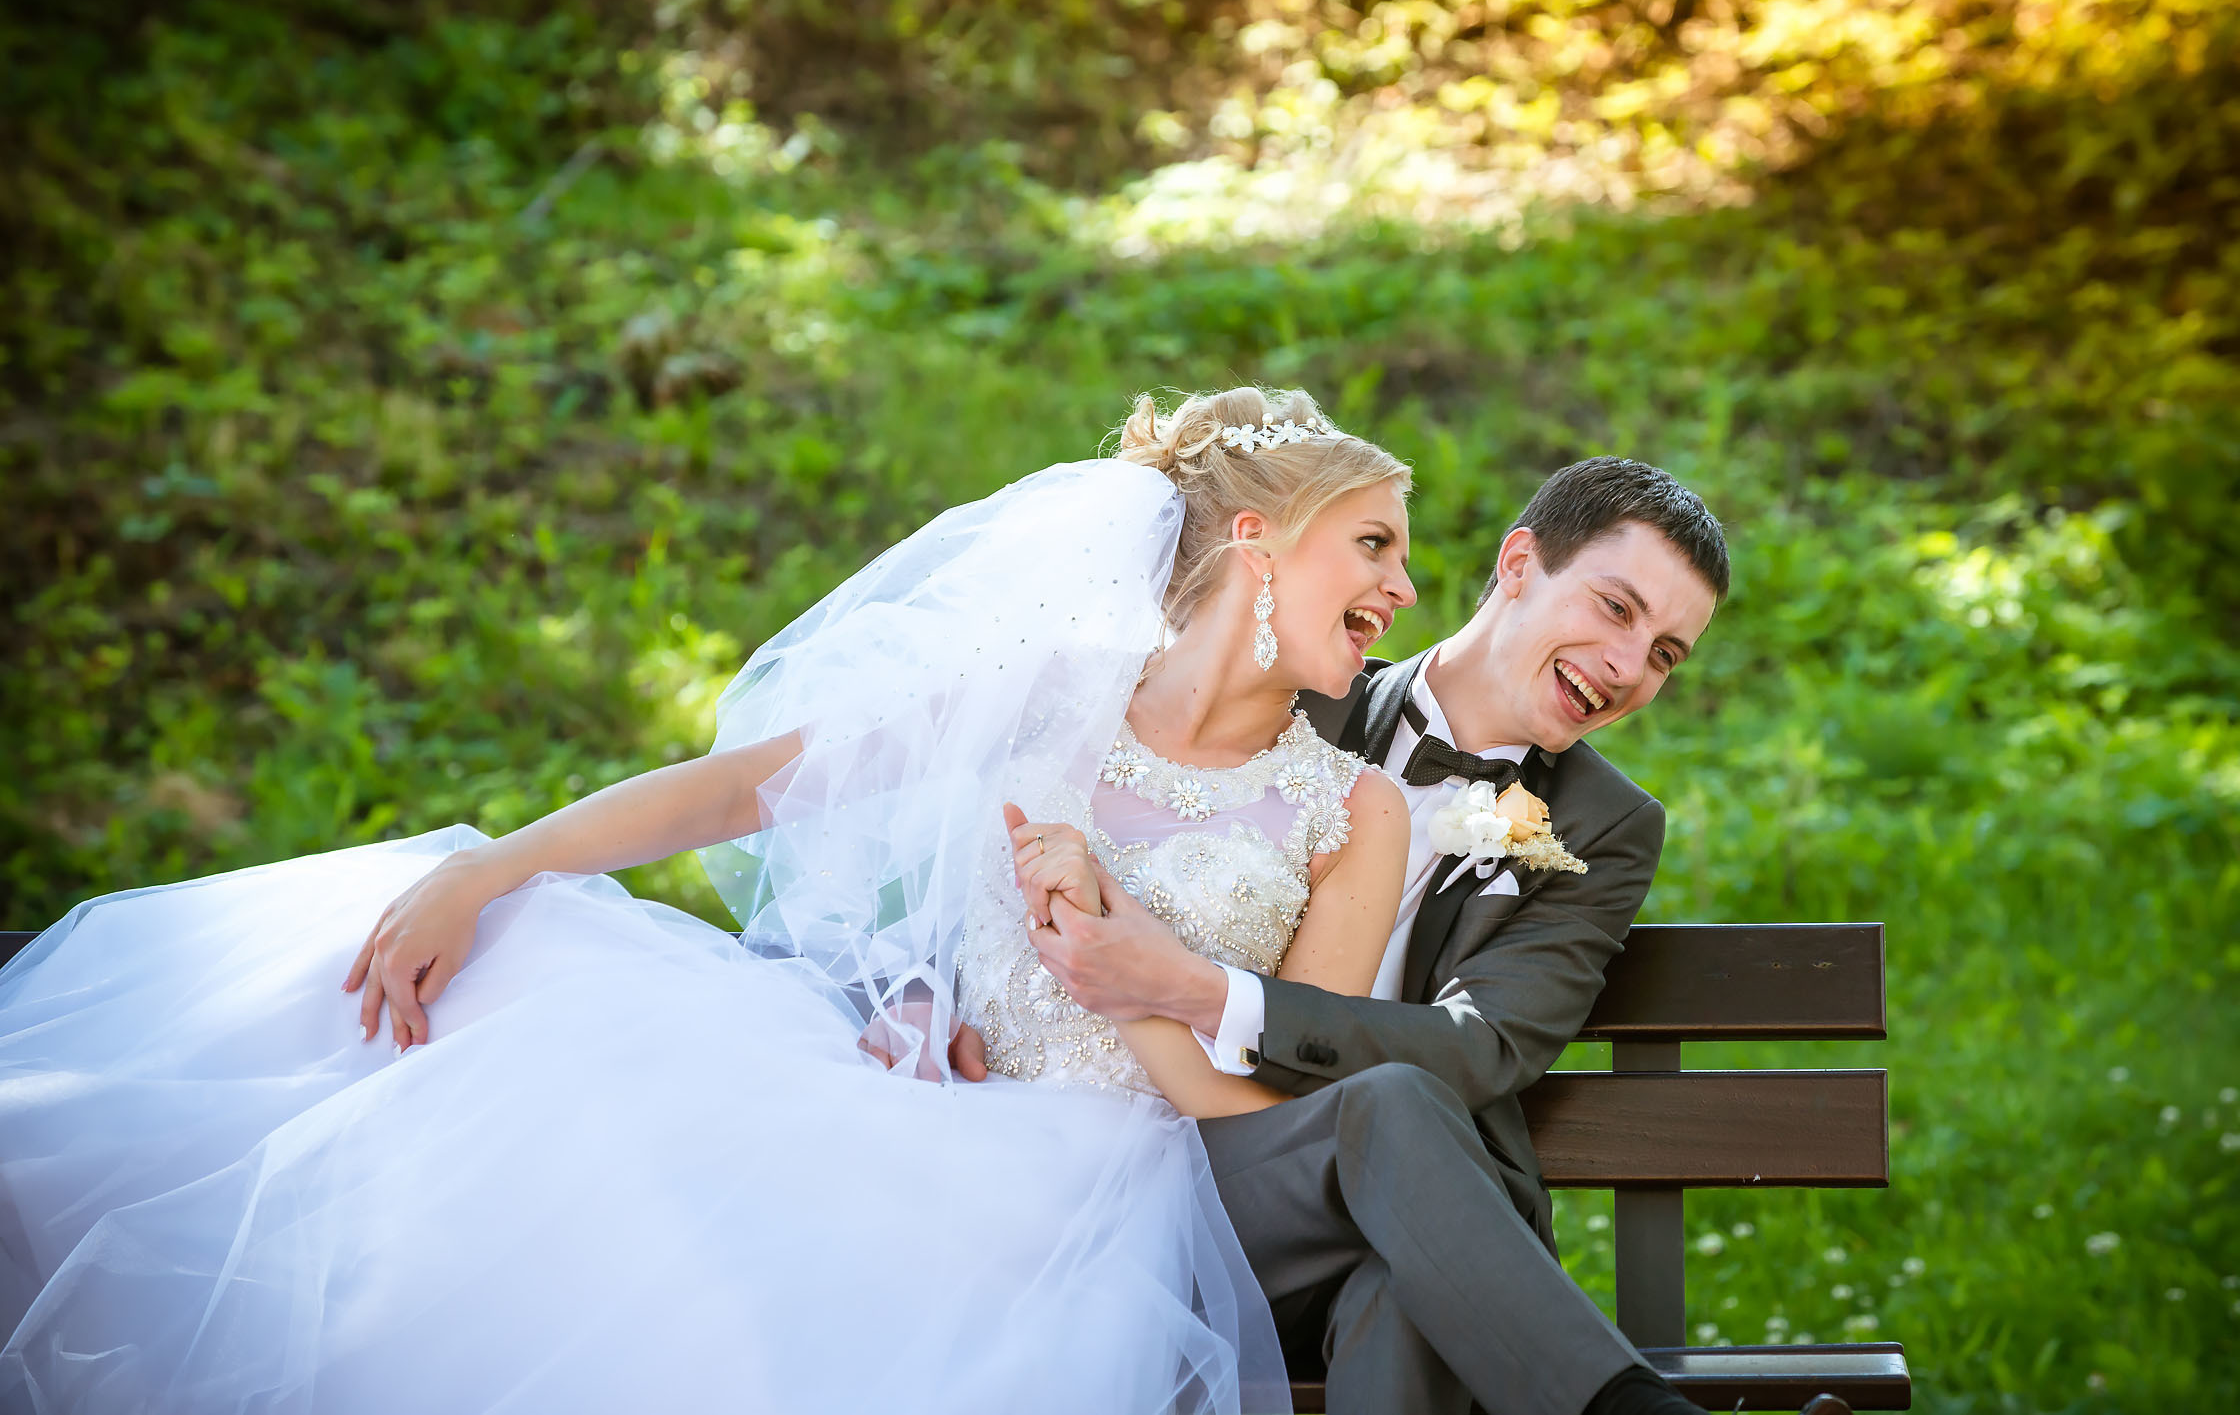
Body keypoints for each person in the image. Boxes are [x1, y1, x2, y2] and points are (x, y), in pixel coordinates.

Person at [0, 387, 1420, 1415]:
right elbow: (744, 789)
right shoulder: (1054, 701)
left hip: (1102, 1189)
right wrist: (493, 863)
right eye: (1374, 542)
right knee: (540, 976)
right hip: (921, 1094)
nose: (1404, 586)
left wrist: (1132, 969)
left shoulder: (1351, 810)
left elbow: (1307, 1082)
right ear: (1256, 540)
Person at [1000, 455, 1730, 1415]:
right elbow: (1022, 819)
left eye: (1667, 654)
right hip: (1185, 1178)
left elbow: (1487, 1046)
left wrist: (1195, 989)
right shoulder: (1299, 682)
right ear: (1519, 564)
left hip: (1411, 1213)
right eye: (1616, 609)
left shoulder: (1605, 823)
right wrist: (924, 986)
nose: (1630, 667)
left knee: (1404, 1272)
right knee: (1391, 1166)